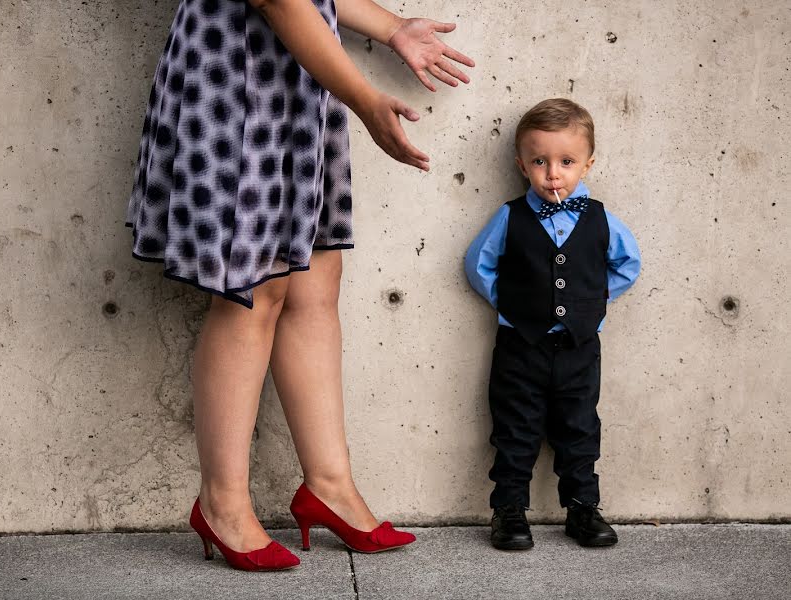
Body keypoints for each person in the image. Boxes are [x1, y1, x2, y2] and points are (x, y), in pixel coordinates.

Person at [126, 0, 474, 571]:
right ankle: (223, 503)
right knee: (251, 292)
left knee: (314, 281)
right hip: (238, 83)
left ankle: (330, 485)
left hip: (296, 84)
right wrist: (364, 99)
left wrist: (390, 28)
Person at [464, 98, 641, 551]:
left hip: (580, 347)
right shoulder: (510, 216)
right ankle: (508, 511)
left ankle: (582, 508)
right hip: (521, 347)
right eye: (540, 162)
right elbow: (478, 265)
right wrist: (512, 307)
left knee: (579, 427)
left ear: (588, 164)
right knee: (514, 428)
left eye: (566, 162)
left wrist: (592, 304)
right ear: (523, 165)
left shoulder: (601, 219)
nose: (552, 173)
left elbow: (628, 264)